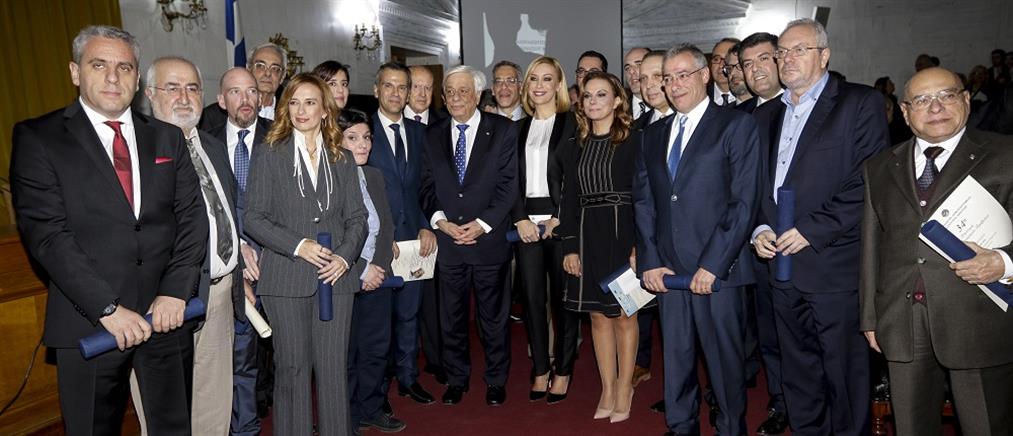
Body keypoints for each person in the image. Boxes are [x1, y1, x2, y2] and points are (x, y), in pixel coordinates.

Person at [10, 25, 208, 435]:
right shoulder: (39, 137)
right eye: (99, 65)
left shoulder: (168, 137)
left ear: (137, 78)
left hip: (165, 317)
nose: (113, 77)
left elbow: (191, 218)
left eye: (125, 67)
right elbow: (48, 235)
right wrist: (107, 309)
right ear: (75, 72)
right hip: (90, 322)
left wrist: (175, 291)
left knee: (175, 428)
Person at [751, 18, 889, 435]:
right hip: (780, 267)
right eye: (782, 52)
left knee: (844, 373)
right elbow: (755, 186)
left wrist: (813, 230)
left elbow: (869, 182)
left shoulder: (858, 103)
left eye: (799, 50)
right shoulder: (766, 115)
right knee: (797, 370)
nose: (787, 59)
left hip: (834, 265)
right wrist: (760, 228)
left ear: (824, 55)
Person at [860, 66, 1013, 436]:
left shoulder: (1005, 154)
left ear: (966, 100)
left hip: (978, 319)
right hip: (902, 321)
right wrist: (870, 316)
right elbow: (873, 246)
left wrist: (1004, 262)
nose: (935, 107)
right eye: (922, 100)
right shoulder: (879, 166)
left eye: (946, 95)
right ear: (905, 111)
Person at [635, 43, 759, 436]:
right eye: (667, 78)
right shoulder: (652, 135)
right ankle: (681, 426)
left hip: (717, 273)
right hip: (669, 272)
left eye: (682, 75)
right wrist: (651, 259)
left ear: (705, 75)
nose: (674, 84)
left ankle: (730, 429)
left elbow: (743, 202)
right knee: (677, 359)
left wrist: (713, 265)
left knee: (724, 364)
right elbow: (645, 202)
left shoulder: (736, 125)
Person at [243, 73, 367, 436]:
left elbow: (357, 218)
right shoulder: (269, 153)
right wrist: (299, 245)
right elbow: (253, 217)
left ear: (325, 109)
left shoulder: (342, 158)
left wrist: (344, 257)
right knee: (292, 371)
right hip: (285, 278)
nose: (301, 110)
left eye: (310, 102)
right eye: (294, 102)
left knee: (332, 371)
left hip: (336, 278)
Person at [143, 55, 245, 435]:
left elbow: (224, 213)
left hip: (218, 294)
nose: (184, 98)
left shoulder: (212, 146)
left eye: (192, 88)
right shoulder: (138, 152)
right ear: (149, 94)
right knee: (166, 416)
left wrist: (239, 256)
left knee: (213, 406)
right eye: (172, 88)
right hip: (165, 302)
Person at [420, 65, 519, 406]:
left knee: (493, 319)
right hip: (448, 242)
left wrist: (483, 224)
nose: (456, 98)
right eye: (450, 92)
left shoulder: (503, 130)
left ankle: (496, 380)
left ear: (478, 95)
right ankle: (457, 379)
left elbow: (509, 185)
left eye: (464, 91)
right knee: (451, 318)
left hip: (488, 241)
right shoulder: (432, 134)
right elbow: (426, 185)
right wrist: (440, 222)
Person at [558, 71, 646, 424]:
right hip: (586, 234)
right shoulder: (574, 144)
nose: (593, 101)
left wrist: (640, 245)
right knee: (597, 315)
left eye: (602, 94)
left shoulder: (634, 140)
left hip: (623, 234)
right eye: (588, 96)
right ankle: (607, 388)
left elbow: (644, 197)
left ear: (618, 100)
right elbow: (568, 200)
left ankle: (625, 387)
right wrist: (570, 247)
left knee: (625, 314)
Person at [205, 66, 275, 433]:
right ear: (221, 100)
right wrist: (238, 248)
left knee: (286, 353)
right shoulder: (204, 143)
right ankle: (245, 428)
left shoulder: (281, 137)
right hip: (231, 263)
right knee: (241, 355)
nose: (245, 99)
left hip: (280, 260)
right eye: (235, 91)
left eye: (251, 91)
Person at [367, 62, 436, 410]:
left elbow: (426, 185)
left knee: (409, 313)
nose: (396, 93)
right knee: (379, 322)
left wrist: (426, 224)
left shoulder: (421, 133)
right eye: (389, 86)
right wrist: (381, 236)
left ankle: (408, 377)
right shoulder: (361, 131)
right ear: (376, 89)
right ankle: (377, 391)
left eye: (402, 87)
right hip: (377, 241)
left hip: (414, 239)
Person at [511, 55, 578, 404]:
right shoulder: (517, 128)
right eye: (533, 79)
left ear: (558, 85)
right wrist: (519, 218)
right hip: (526, 225)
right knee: (533, 301)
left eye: (547, 79)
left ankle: (563, 369)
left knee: (564, 302)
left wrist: (559, 216)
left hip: (560, 223)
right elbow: (509, 180)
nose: (539, 86)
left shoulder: (573, 123)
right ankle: (540, 368)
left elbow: (578, 177)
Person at [736, 31, 791, 436]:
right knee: (768, 330)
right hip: (757, 243)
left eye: (763, 59)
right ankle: (781, 400)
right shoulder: (741, 118)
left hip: (809, 244)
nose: (754, 69)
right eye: (746, 63)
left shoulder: (802, 110)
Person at [338, 108, 403, 433]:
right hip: (343, 278)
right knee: (346, 354)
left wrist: (377, 267)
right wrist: (362, 269)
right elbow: (332, 236)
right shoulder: (328, 179)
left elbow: (386, 226)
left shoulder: (373, 175)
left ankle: (372, 408)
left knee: (376, 348)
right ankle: (346, 417)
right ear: (335, 141)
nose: (362, 144)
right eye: (352, 138)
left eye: (366, 137)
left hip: (378, 277)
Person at [709, 38, 740, 106]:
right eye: (716, 59)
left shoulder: (752, 97)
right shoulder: (700, 97)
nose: (721, 65)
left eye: (727, 59)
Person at [623, 47, 650, 119]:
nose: (631, 71)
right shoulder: (617, 109)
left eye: (638, 65)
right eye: (627, 68)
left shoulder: (670, 105)